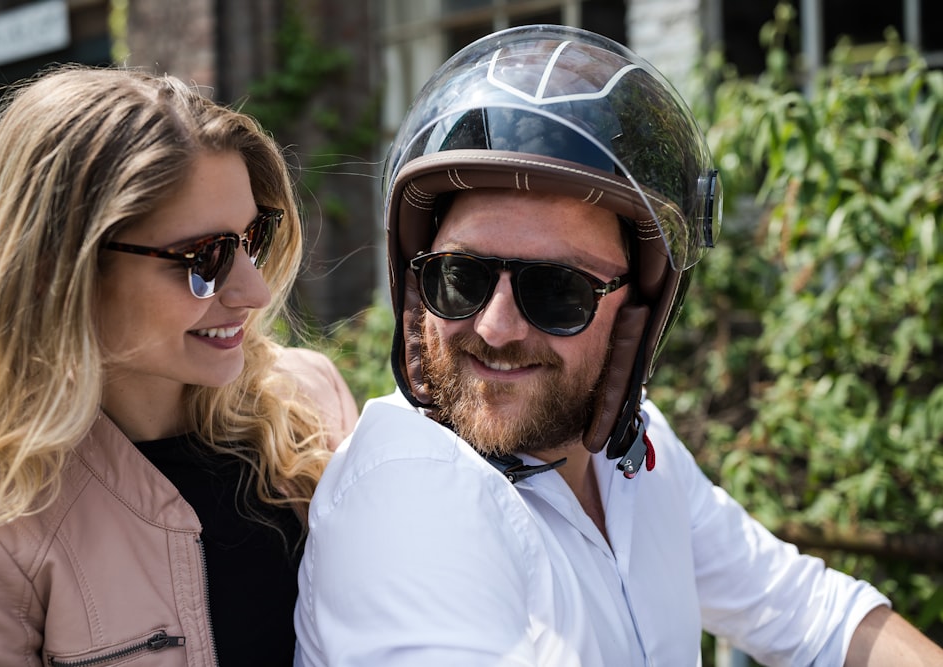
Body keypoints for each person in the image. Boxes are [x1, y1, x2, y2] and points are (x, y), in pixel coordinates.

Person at [294, 25, 943, 666]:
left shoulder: (631, 456)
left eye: (557, 292)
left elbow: (809, 612)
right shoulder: (406, 500)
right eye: (459, 278)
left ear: (636, 312)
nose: (495, 328)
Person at [0, 65, 358, 666]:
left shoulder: (309, 402)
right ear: (63, 272)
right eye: (202, 257)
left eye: (252, 238)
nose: (253, 291)